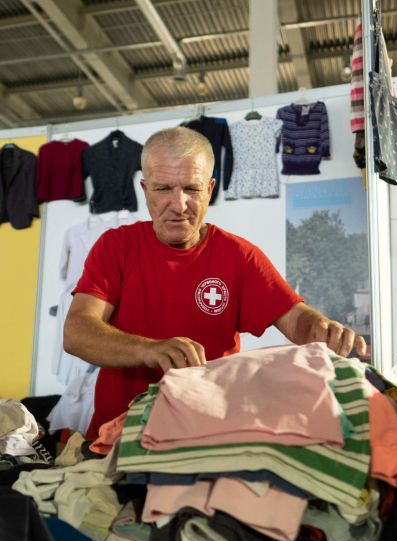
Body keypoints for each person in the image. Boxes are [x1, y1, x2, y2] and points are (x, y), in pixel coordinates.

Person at [64, 127, 366, 438]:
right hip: (117, 439)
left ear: (210, 189)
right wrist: (150, 350)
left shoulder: (239, 256)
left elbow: (296, 319)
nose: (178, 204)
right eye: (163, 188)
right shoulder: (116, 246)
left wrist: (322, 328)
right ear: (145, 189)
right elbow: (77, 332)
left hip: (207, 438)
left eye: (191, 190)